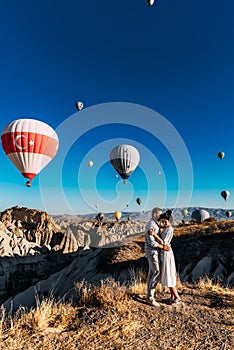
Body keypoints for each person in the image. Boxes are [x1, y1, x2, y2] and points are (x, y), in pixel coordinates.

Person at [145, 207, 171, 306]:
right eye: (160, 215)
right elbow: (151, 242)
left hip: (152, 252)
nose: (161, 216)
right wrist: (163, 247)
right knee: (157, 272)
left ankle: (150, 295)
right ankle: (150, 298)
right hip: (152, 252)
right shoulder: (152, 225)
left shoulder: (154, 224)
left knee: (151, 273)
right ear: (155, 214)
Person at [159, 211, 181, 304]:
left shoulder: (169, 229)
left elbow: (163, 243)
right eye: (162, 221)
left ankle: (177, 297)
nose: (163, 222)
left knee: (168, 275)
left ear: (168, 220)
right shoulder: (167, 228)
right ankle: (172, 297)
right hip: (166, 252)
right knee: (169, 274)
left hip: (166, 253)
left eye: (164, 221)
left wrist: (154, 235)